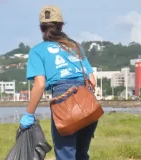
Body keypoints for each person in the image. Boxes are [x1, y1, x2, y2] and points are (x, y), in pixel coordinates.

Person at [19, 5, 98, 160]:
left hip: (63, 100)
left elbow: (40, 85)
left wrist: (29, 114)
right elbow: (92, 80)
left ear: (41, 28)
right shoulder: (74, 46)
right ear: (61, 26)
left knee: (66, 154)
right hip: (87, 102)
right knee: (81, 154)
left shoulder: (37, 51)